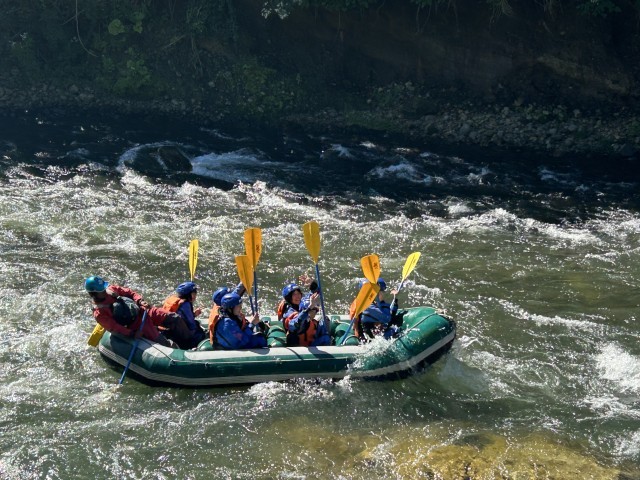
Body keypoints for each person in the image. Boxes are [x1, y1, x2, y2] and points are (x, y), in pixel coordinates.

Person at [85, 275, 180, 347]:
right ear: (94, 294)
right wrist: (132, 333)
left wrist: (140, 300)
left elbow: (130, 293)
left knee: (174, 318)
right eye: (102, 291)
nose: (105, 291)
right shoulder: (100, 313)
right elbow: (115, 327)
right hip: (135, 325)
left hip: (142, 311)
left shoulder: (111, 290)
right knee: (163, 343)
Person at [162, 281, 206, 350]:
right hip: (180, 335)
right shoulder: (185, 305)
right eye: (194, 293)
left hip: (169, 331)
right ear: (188, 295)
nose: (195, 295)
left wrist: (194, 314)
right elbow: (192, 325)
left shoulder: (174, 300)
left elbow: (183, 317)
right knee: (199, 332)